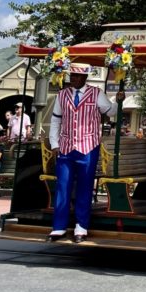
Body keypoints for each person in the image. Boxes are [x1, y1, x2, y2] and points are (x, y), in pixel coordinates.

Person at [46, 63, 118, 242]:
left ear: (85, 78)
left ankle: (81, 226)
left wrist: (118, 101)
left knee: (85, 187)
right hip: (66, 147)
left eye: (78, 76)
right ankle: (59, 227)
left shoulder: (96, 93)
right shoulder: (62, 95)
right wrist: (54, 143)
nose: (74, 79)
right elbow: (55, 121)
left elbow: (110, 111)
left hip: (88, 147)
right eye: (72, 76)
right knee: (63, 186)